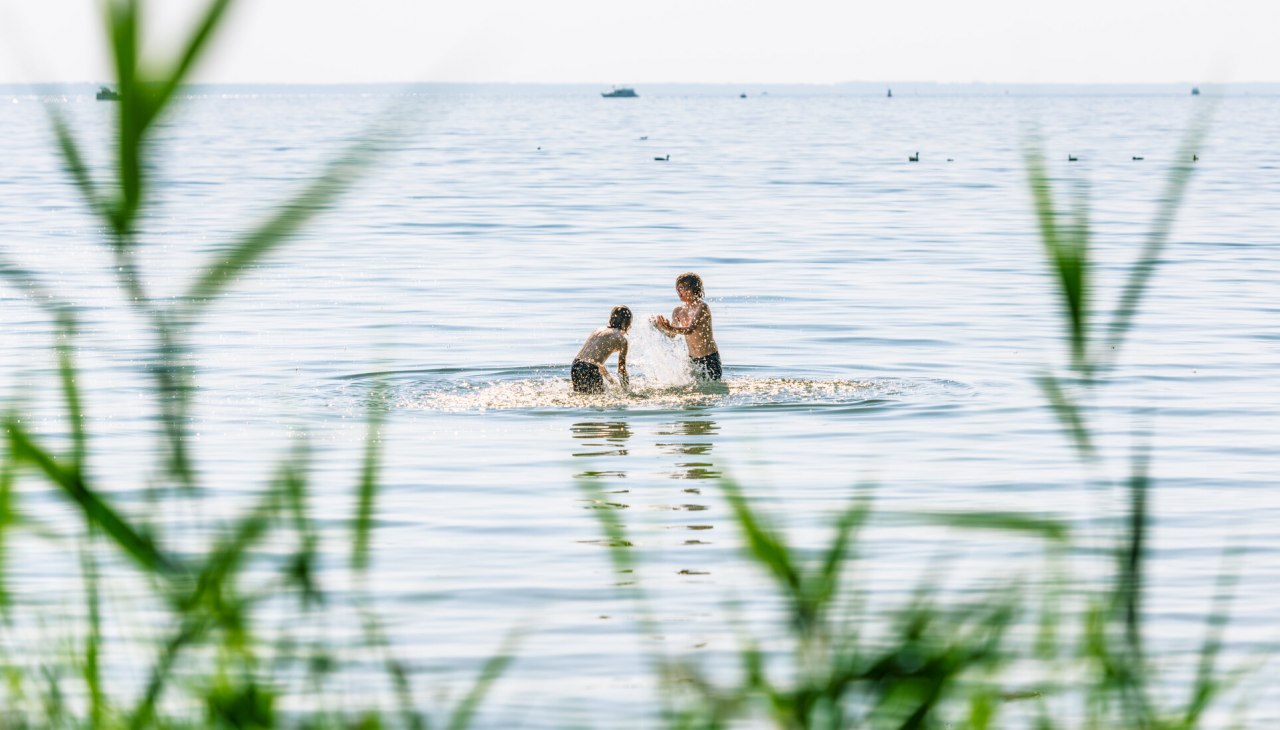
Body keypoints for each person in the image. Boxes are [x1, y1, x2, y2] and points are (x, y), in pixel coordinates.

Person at [654, 272, 722, 381]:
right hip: (693, 360)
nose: (679, 292)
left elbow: (690, 330)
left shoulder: (702, 307)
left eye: (683, 288)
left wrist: (669, 328)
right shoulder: (678, 311)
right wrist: (660, 327)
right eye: (678, 289)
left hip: (709, 358)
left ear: (694, 289)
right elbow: (671, 335)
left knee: (712, 390)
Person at [571, 305, 632, 394]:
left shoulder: (598, 330)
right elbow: (621, 370)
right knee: (598, 399)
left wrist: (611, 381)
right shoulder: (622, 340)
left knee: (582, 396)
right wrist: (627, 391)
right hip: (589, 368)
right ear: (627, 323)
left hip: (576, 365)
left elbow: (595, 361)